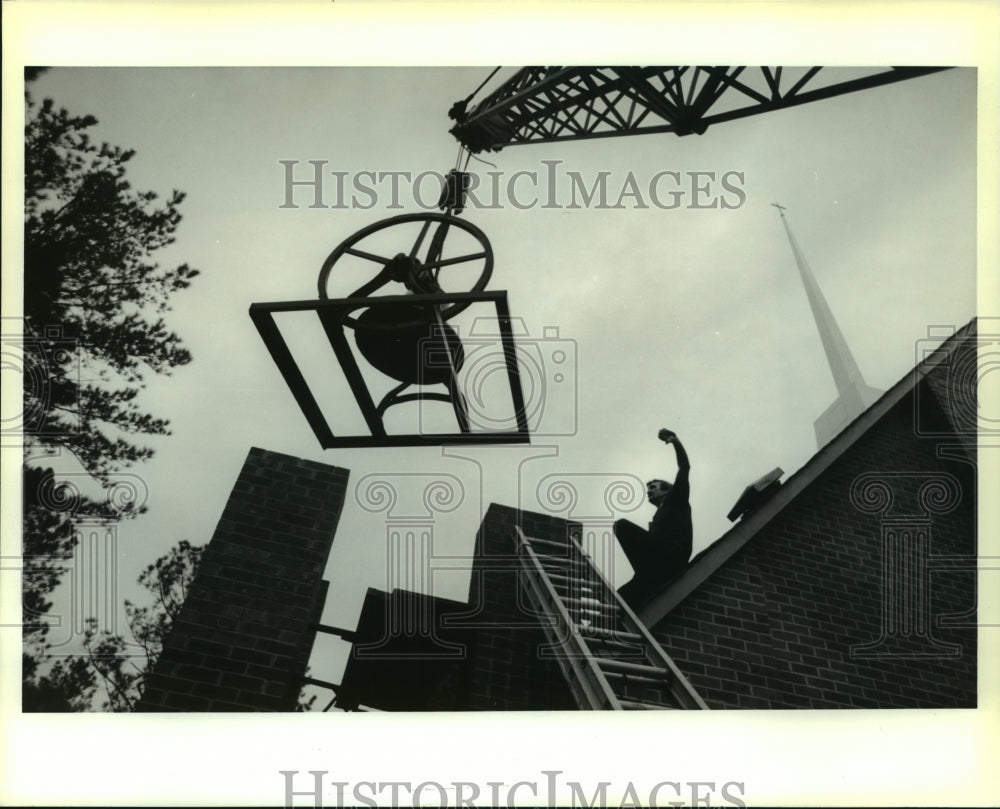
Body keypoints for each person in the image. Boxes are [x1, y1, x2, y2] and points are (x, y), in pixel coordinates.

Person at [615, 428, 693, 609]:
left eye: (654, 487)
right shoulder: (658, 516)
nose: (649, 491)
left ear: (666, 489)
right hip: (658, 568)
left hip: (673, 558)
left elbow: (684, 467)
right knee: (621, 597)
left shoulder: (676, 499)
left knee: (622, 526)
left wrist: (675, 441)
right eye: (648, 488)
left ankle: (646, 574)